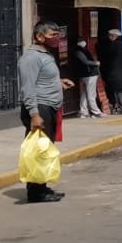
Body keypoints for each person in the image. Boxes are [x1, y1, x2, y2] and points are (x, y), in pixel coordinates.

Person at [18, 21, 74, 203]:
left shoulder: (45, 55)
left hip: (49, 107)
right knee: (38, 152)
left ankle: (42, 186)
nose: (56, 39)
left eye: (58, 35)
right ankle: (35, 192)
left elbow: (42, 80)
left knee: (45, 149)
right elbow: (28, 88)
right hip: (40, 108)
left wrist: (59, 83)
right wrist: (34, 114)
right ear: (39, 36)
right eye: (52, 35)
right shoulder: (31, 57)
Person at [70, 35, 105, 118]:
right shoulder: (78, 50)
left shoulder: (79, 49)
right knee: (91, 94)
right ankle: (96, 112)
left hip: (86, 74)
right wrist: (95, 63)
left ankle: (83, 112)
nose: (83, 41)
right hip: (89, 74)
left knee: (85, 94)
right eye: (81, 40)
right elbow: (85, 61)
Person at [99, 29, 122, 114]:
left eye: (110, 35)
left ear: (115, 36)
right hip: (120, 70)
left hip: (114, 70)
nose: (109, 37)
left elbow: (107, 54)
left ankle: (121, 107)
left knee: (118, 90)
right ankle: (120, 106)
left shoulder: (115, 44)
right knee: (118, 89)